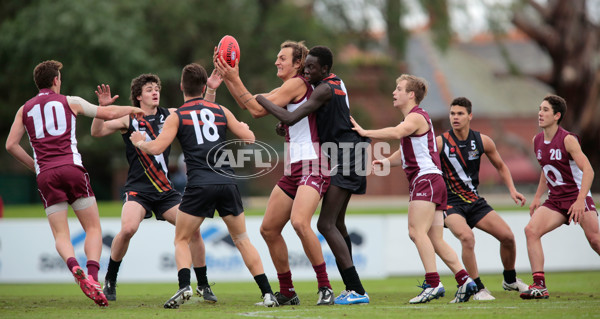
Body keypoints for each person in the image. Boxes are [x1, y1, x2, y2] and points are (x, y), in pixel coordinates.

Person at [129, 63, 279, 308]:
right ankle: (267, 294)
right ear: (203, 86)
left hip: (200, 184)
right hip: (228, 182)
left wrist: (140, 143)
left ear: (181, 87)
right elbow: (249, 138)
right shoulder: (221, 110)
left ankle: (184, 286)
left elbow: (157, 147)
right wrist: (246, 129)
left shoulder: (177, 115)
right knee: (241, 238)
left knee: (182, 238)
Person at [5, 60, 144, 307]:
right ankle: (92, 278)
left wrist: (36, 166)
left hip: (46, 175)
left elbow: (10, 145)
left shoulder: (24, 109)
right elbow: (108, 114)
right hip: (72, 169)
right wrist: (132, 110)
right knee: (93, 228)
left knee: (61, 234)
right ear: (56, 80)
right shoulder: (70, 101)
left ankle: (74, 267)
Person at [215, 41, 334, 305]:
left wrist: (234, 77)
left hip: (313, 164)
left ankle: (325, 287)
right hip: (295, 168)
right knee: (269, 230)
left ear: (297, 64)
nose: (276, 62)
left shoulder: (298, 83)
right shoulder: (288, 87)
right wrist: (228, 77)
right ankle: (288, 292)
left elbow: (257, 108)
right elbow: (249, 105)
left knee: (300, 223)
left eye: (282, 58)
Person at [90, 72, 222, 302]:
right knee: (128, 229)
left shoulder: (171, 114)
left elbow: (202, 112)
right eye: (149, 89)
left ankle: (202, 284)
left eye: (156, 88)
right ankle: (110, 279)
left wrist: (210, 89)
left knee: (193, 230)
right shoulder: (129, 118)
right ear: (138, 96)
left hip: (166, 192)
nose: (155, 92)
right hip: (138, 190)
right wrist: (101, 110)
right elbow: (97, 132)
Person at [255, 46, 370, 305]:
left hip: (345, 156)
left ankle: (356, 289)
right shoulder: (336, 82)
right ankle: (353, 287)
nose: (307, 71)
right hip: (350, 152)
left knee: (325, 224)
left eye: (311, 67)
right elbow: (318, 116)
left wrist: (261, 99)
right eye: (305, 66)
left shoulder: (323, 88)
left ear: (325, 69)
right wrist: (285, 123)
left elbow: (292, 115)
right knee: (337, 224)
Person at [350, 74, 477, 304]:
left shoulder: (415, 117)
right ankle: (465, 280)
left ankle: (433, 283)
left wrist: (365, 132)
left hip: (426, 180)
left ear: (411, 95)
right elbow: (407, 148)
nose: (394, 92)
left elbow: (398, 133)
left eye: (398, 89)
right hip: (433, 181)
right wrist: (387, 161)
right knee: (435, 239)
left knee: (415, 231)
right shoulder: (415, 120)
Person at [436, 97, 529, 300]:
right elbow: (415, 157)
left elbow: (501, 166)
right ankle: (477, 288)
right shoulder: (440, 142)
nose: (455, 117)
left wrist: (512, 190)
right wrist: (389, 162)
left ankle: (510, 279)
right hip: (450, 203)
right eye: (452, 114)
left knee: (508, 237)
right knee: (467, 237)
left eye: (460, 113)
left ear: (470, 116)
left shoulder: (482, 141)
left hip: (474, 201)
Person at [522, 94, 600, 299]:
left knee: (595, 240)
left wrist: (580, 200)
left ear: (557, 115)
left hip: (576, 196)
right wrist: (538, 197)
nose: (540, 113)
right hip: (556, 200)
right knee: (531, 231)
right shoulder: (536, 140)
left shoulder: (568, 139)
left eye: (545, 110)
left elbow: (589, 170)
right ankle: (539, 286)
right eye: (540, 109)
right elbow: (545, 169)